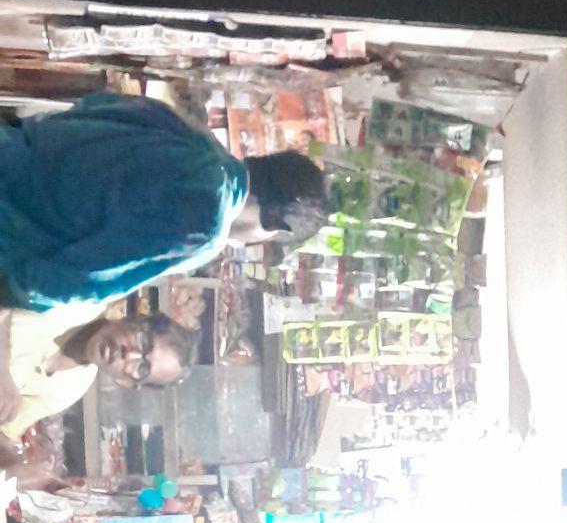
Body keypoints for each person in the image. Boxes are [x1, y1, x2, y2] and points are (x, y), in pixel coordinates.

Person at [0, 91, 329, 312]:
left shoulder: (191, 130)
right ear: (273, 222)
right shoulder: (207, 225)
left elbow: (93, 104)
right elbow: (85, 279)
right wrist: (14, 295)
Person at [0, 308, 200, 465]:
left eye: (142, 368)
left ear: (126, 382)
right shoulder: (76, 298)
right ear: (133, 319)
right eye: (143, 341)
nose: (129, 354)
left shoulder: (70, 389)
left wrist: (20, 467)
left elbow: (5, 431)